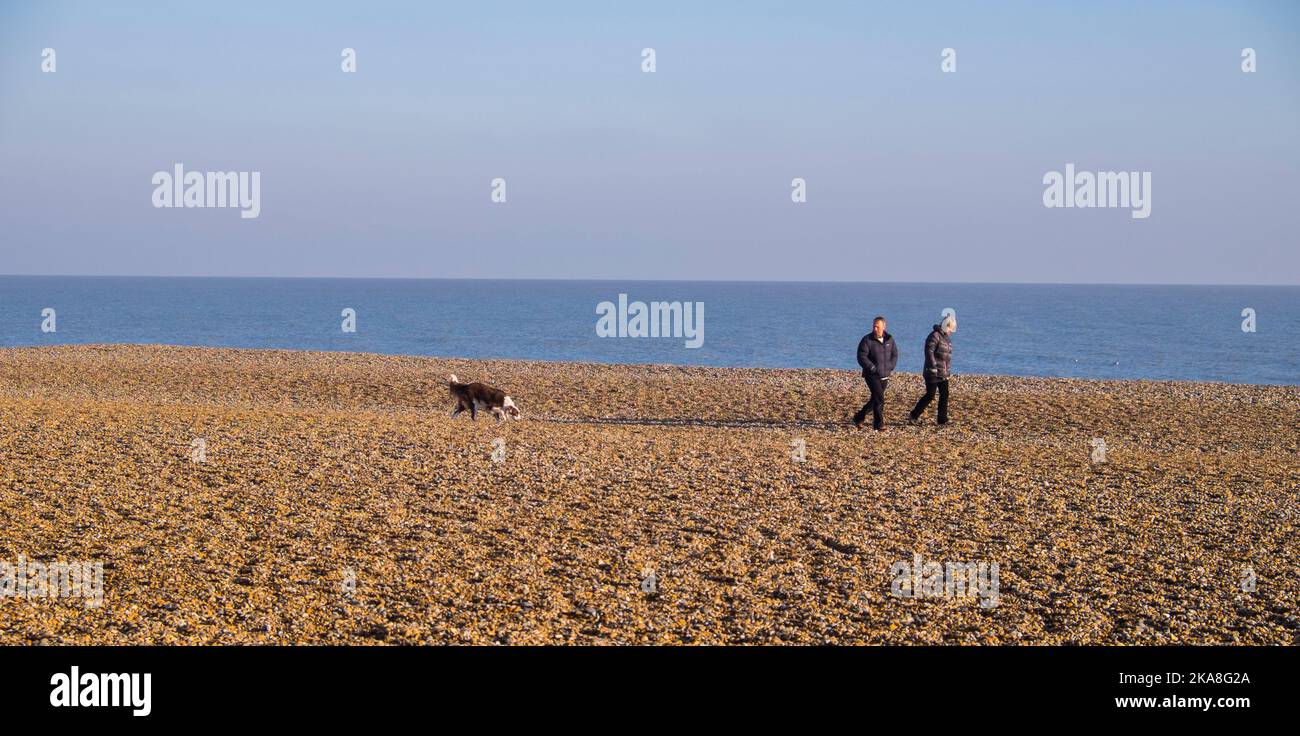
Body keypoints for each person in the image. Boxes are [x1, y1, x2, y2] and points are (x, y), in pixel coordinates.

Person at [909, 314, 955, 426]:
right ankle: (913, 415)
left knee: (945, 394)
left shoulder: (946, 338)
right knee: (930, 394)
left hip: (943, 372)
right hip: (932, 371)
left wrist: (947, 370)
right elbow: (929, 352)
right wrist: (933, 367)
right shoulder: (934, 336)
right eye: (950, 328)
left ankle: (942, 419)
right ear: (945, 326)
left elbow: (946, 356)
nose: (951, 331)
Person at [853, 316, 898, 431]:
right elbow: (861, 356)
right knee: (880, 399)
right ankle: (878, 425)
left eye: (877, 326)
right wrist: (872, 368)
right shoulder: (867, 340)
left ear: (884, 326)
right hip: (871, 375)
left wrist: (891, 366)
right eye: (874, 326)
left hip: (885, 374)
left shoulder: (890, 340)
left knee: (875, 399)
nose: (875, 328)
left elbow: (895, 354)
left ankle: (859, 417)